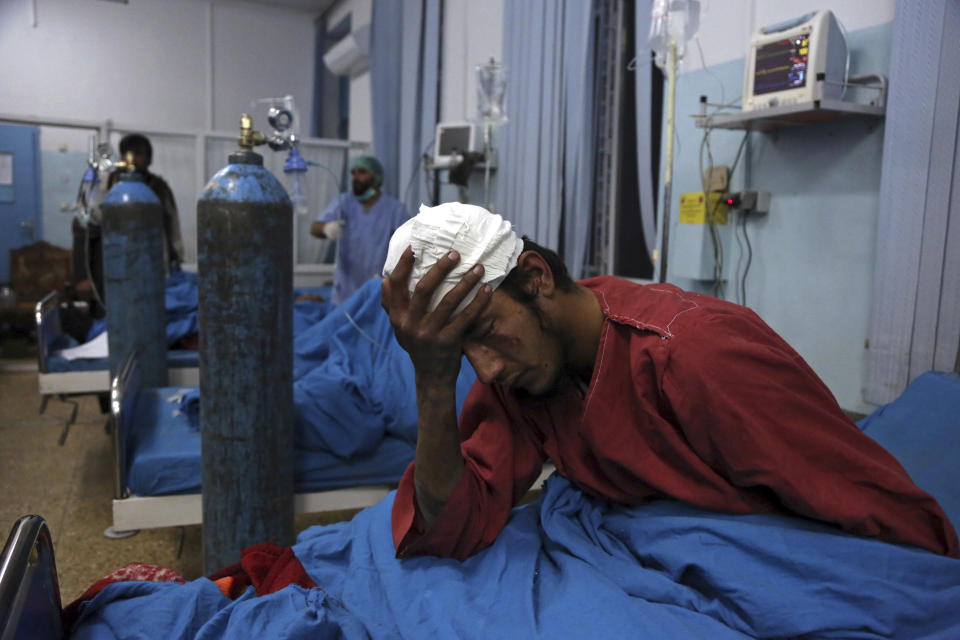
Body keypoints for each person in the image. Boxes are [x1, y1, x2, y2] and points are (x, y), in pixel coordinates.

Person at [381, 202, 960, 562]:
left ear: (535, 278)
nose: (487, 370)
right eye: (462, 354)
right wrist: (433, 380)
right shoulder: (524, 367)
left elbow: (862, 497)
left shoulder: (698, 356)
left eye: (485, 332)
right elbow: (455, 520)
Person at [73, 133, 184, 315]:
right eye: (130, 153)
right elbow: (83, 226)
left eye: (141, 154)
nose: (135, 159)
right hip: (110, 266)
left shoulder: (159, 188)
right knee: (111, 316)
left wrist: (175, 260)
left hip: (150, 267)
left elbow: (173, 227)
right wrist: (82, 276)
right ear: (122, 156)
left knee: (146, 315)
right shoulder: (105, 183)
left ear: (149, 160)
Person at [310, 155, 410, 304]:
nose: (355, 177)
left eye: (362, 172)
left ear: (376, 177)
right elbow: (314, 228)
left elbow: (409, 243)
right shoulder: (344, 202)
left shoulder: (394, 209)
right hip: (345, 290)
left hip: (378, 287)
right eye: (353, 173)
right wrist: (325, 228)